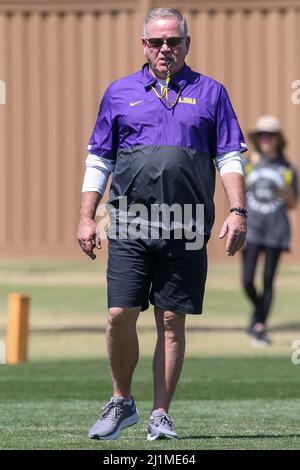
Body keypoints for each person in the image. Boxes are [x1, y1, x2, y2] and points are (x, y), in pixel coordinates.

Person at [77, 7, 248, 441]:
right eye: (156, 42)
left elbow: (228, 155)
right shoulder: (119, 92)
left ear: (187, 43)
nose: (165, 49)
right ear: (144, 45)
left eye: (173, 41)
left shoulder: (211, 93)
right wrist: (85, 215)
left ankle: (160, 413)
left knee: (172, 320)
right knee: (119, 314)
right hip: (131, 222)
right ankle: (121, 401)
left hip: (186, 224)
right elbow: (100, 159)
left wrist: (237, 210)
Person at [242, 115, 298, 346]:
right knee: (247, 280)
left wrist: (286, 192)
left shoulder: (287, 168)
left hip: (276, 229)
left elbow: (293, 204)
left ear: (278, 139)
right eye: (262, 135)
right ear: (257, 139)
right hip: (253, 229)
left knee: (267, 279)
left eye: (270, 135)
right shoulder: (248, 164)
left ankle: (260, 326)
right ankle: (258, 311)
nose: (266, 139)